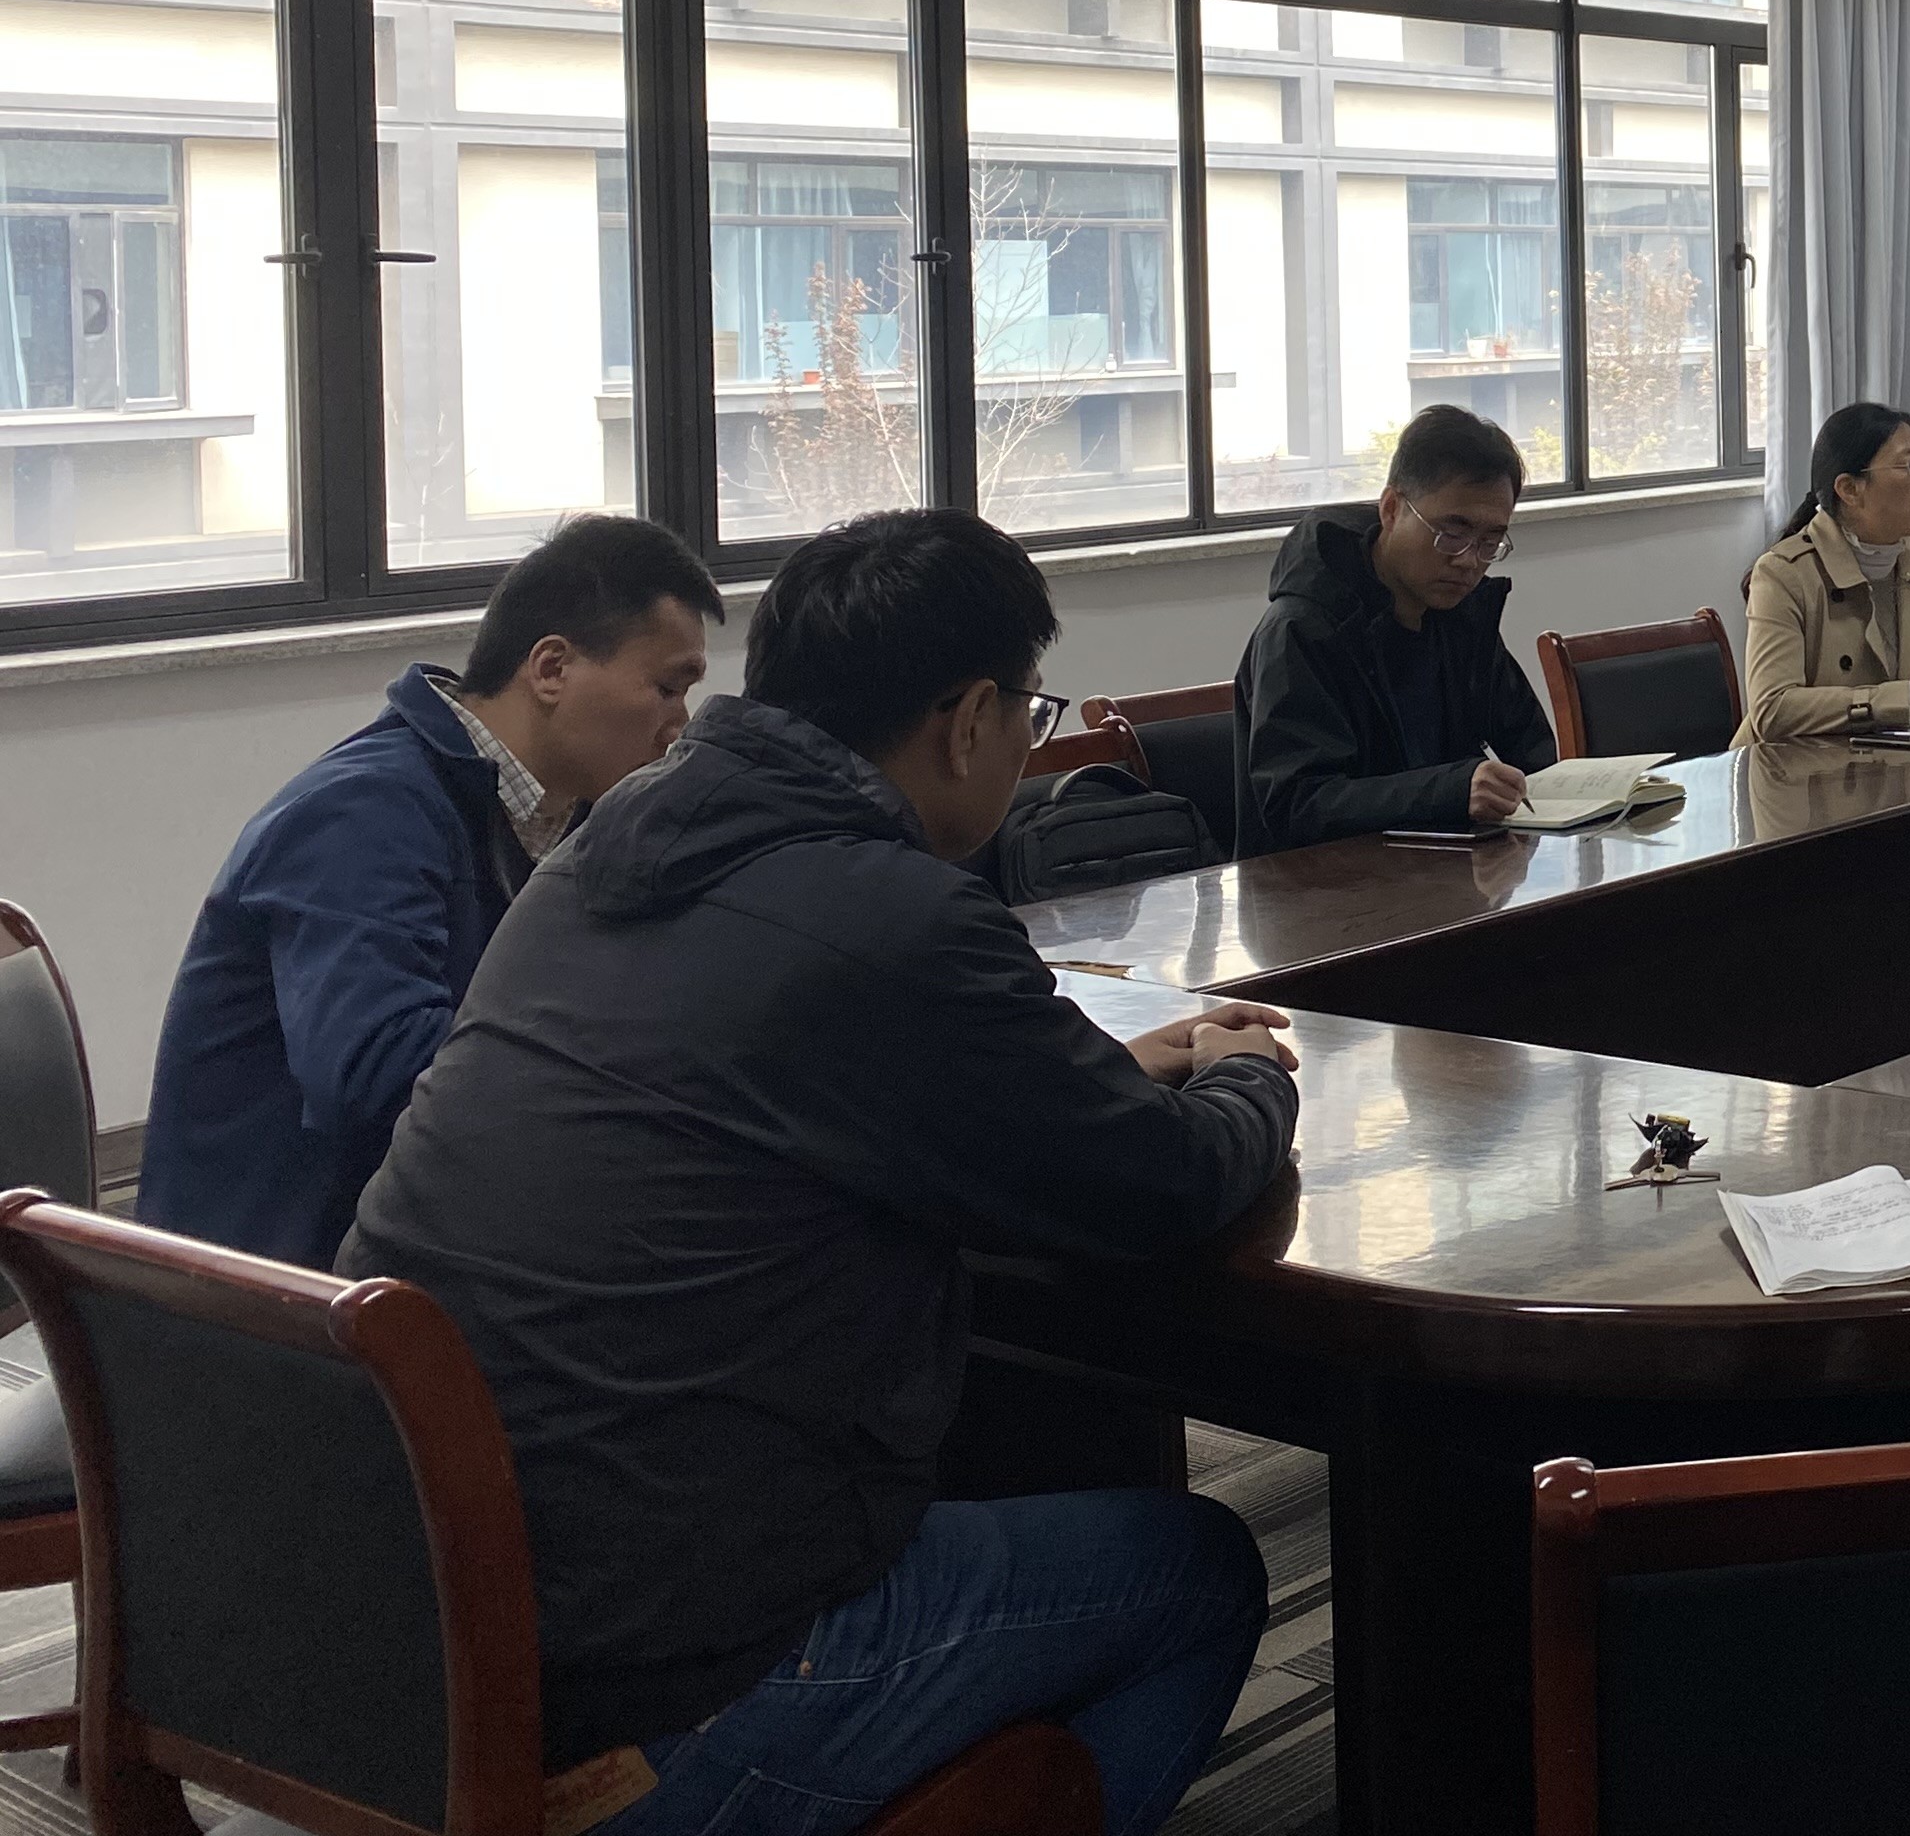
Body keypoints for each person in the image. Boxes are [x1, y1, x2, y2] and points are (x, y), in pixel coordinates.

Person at [342, 510, 1301, 1836]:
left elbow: (792, 1079)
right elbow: (1163, 1187)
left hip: (425, 1625)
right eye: (1029, 712)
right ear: (969, 719)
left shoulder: (604, 848)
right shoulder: (895, 913)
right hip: (666, 1676)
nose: (1025, 745)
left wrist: (1097, 1075)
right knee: (1195, 1572)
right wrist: (1250, 1074)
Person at [139, 514, 721, 1266]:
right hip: (279, 1277)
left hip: (428, 1231)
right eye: (667, 688)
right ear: (551, 669)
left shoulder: (560, 814)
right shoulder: (360, 815)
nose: (679, 726)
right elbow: (374, 1076)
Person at [1237, 403, 1557, 850]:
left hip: (1456, 872)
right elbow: (1298, 804)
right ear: (1391, 509)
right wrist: (1452, 791)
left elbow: (1533, 754)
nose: (1469, 560)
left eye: (1490, 541)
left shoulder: (1463, 618)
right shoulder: (1302, 630)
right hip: (1323, 884)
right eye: (1452, 532)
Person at [1739, 401, 1910, 744]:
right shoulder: (1784, 573)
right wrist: (1907, 702)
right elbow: (1772, 709)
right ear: (1849, 489)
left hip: (1895, 760)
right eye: (1907, 466)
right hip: (1796, 770)